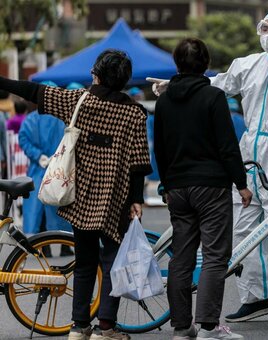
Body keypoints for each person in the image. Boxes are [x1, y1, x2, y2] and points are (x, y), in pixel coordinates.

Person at [150, 8, 268, 323]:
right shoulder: (248, 65)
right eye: (265, 27)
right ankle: (254, 297)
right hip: (251, 151)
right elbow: (214, 85)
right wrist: (174, 85)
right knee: (243, 228)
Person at [0, 49, 152, 340]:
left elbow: (33, 90)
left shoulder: (78, 100)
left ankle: (78, 326)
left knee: (84, 263)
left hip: (80, 196)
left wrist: (2, 81)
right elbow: (138, 163)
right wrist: (136, 199)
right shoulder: (134, 113)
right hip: (115, 199)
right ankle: (105, 327)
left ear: (97, 74)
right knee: (111, 263)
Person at [155, 38, 250, 340]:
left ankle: (182, 328)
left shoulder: (164, 100)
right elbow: (227, 146)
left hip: (178, 188)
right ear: (206, 64)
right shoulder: (213, 96)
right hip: (211, 186)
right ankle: (209, 326)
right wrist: (242, 183)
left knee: (181, 257)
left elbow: (160, 148)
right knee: (214, 255)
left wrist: (166, 185)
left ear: (177, 64)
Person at [18, 82, 72, 256]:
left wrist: (38, 156)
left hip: (39, 169)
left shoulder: (31, 119)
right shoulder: (63, 118)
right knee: (61, 207)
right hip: (59, 170)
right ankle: (64, 245)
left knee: (39, 210)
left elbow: (23, 139)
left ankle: (44, 247)